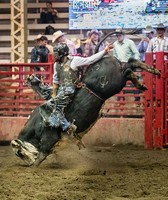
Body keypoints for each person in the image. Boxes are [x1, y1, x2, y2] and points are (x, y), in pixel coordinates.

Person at [47, 42, 113, 135]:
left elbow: (90, 60)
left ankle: (67, 127)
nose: (55, 55)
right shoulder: (56, 65)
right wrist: (53, 94)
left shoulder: (74, 60)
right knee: (48, 99)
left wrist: (105, 51)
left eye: (56, 53)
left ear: (63, 53)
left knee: (55, 104)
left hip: (71, 89)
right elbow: (55, 80)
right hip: (62, 89)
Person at [112, 29, 141, 103]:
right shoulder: (115, 44)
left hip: (129, 64)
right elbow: (114, 55)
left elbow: (136, 53)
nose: (118, 36)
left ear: (123, 35)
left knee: (133, 80)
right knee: (119, 81)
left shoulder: (130, 42)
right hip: (120, 65)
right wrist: (117, 62)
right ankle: (120, 99)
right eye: (117, 35)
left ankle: (137, 99)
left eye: (119, 35)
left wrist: (134, 62)